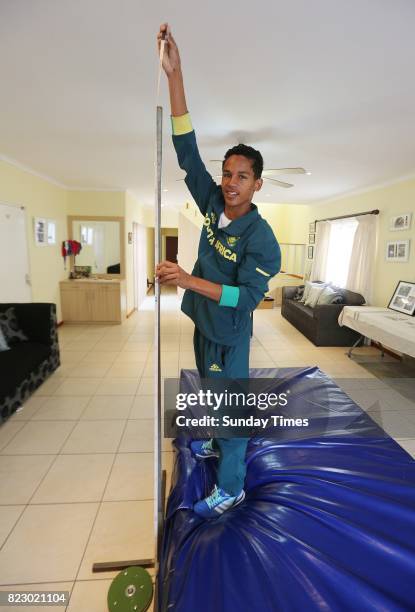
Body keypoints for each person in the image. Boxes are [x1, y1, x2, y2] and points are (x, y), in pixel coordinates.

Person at [156, 23, 281, 519]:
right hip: (203, 324)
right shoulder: (211, 201)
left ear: (257, 184)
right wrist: (176, 75)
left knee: (231, 409)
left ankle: (232, 487)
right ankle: (211, 437)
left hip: (229, 334)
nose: (230, 183)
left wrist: (187, 279)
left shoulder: (262, 238)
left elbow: (244, 299)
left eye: (241, 176)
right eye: (227, 173)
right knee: (210, 395)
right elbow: (187, 151)